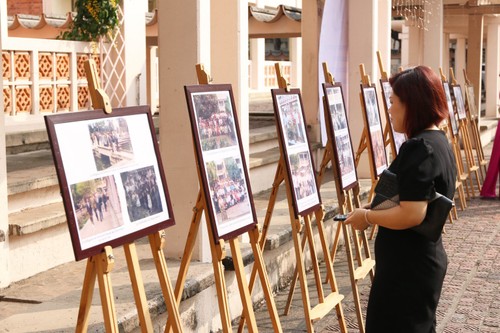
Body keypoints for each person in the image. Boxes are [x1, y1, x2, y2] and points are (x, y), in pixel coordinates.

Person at [345, 66, 457, 332]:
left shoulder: (420, 147)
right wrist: (375, 207)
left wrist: (369, 217)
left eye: (393, 102)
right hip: (417, 264)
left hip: (408, 270)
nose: (390, 109)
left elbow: (412, 213)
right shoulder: (438, 141)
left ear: (412, 104)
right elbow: (412, 197)